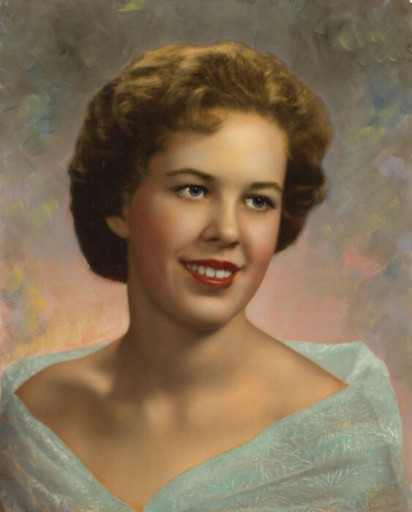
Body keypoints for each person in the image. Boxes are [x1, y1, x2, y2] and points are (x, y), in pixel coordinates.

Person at [0, 42, 409, 511]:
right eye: (193, 190)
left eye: (258, 201)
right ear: (119, 205)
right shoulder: (29, 414)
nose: (228, 231)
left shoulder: (342, 436)